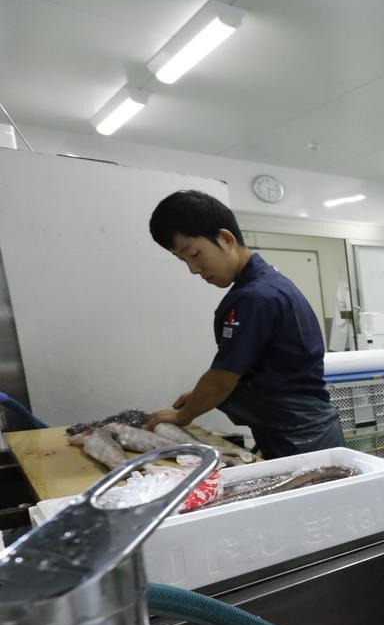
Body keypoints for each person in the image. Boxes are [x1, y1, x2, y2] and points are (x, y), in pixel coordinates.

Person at [143, 190, 344, 459]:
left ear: (226, 239)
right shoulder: (267, 285)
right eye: (184, 260)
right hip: (296, 429)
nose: (193, 269)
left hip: (301, 437)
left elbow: (222, 379)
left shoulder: (256, 296)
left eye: (194, 254)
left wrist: (183, 415)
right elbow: (268, 370)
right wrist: (199, 396)